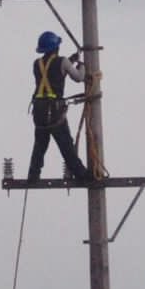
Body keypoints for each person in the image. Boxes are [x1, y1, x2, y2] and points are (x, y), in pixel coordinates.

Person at [29, 30, 92, 183]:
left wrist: (71, 60)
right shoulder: (63, 62)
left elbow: (51, 73)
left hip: (39, 111)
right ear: (56, 47)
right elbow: (79, 77)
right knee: (66, 146)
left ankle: (33, 176)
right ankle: (82, 175)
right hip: (54, 111)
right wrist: (81, 64)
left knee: (40, 146)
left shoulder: (37, 64)